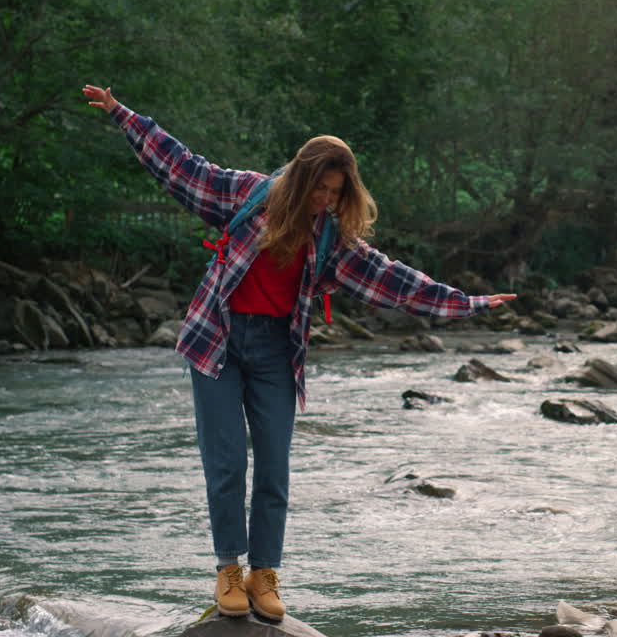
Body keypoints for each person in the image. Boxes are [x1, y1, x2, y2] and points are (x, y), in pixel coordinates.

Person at [83, 84, 516, 621]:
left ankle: (265, 574)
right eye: (321, 189)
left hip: (274, 352)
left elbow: (395, 281)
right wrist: (124, 116)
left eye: (336, 193)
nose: (327, 201)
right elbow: (180, 166)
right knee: (224, 465)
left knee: (274, 469)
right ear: (303, 178)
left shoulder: (332, 239)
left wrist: (466, 303)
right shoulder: (245, 196)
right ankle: (228, 571)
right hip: (216, 341)